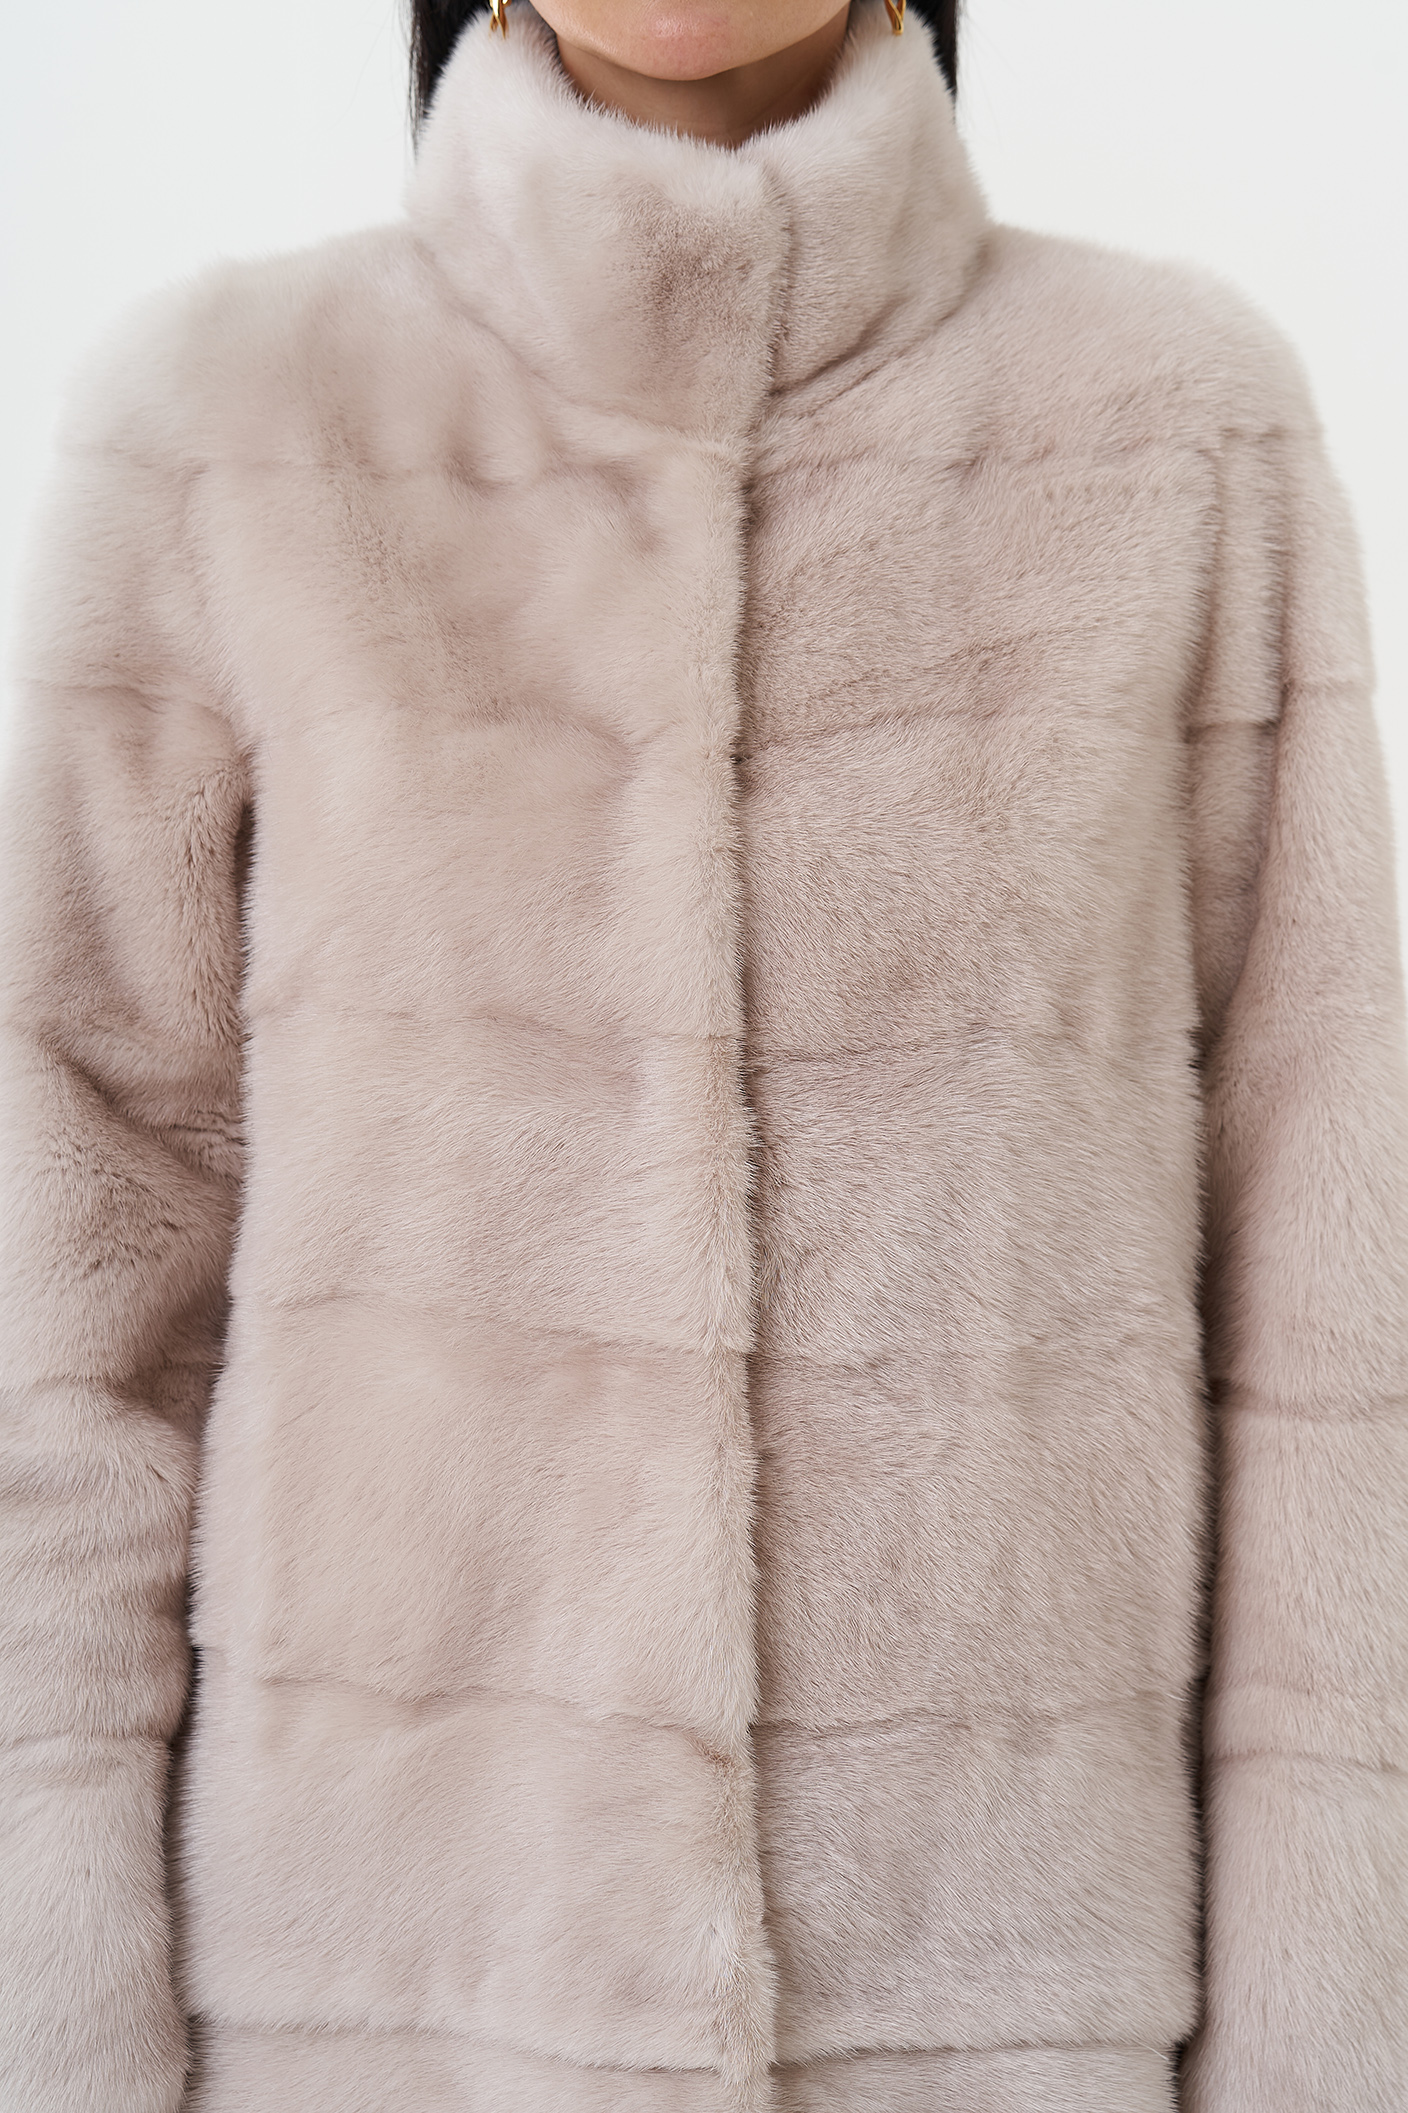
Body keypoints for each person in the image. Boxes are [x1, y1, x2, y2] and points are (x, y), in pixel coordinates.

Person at [1, 1, 1404, 2107]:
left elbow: (1330, 1277)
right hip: (385, 1999)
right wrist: (57, 2016)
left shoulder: (1174, 428)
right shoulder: (227, 422)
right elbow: (70, 1280)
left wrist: (1323, 2031)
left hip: (1010, 1994)